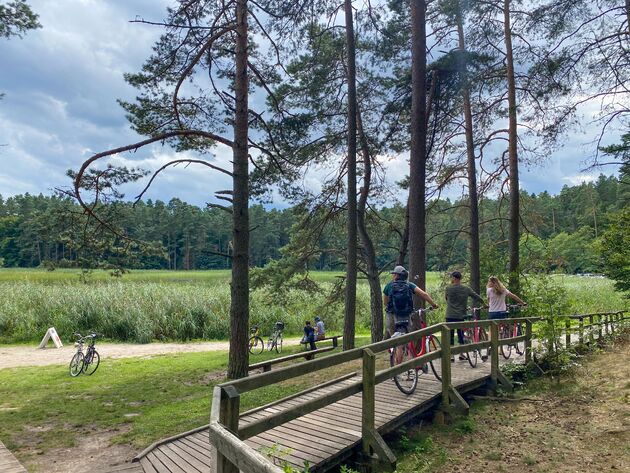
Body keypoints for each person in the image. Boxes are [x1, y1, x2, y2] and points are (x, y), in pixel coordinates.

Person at [383, 265, 439, 339]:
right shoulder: (409, 285)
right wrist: (433, 304)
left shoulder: (389, 286)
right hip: (406, 314)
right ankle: (404, 349)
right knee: (405, 336)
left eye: (393, 274)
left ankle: (397, 349)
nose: (393, 276)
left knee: (394, 338)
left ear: (396, 275)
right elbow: (424, 294)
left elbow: (385, 302)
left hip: (392, 315)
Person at [445, 271, 485, 361]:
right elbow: (476, 297)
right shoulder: (466, 289)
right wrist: (485, 304)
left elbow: (446, 299)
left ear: (454, 278)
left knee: (450, 335)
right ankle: (461, 353)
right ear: (460, 278)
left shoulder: (448, 288)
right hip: (460, 315)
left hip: (450, 314)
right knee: (460, 334)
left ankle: (451, 355)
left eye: (452, 277)